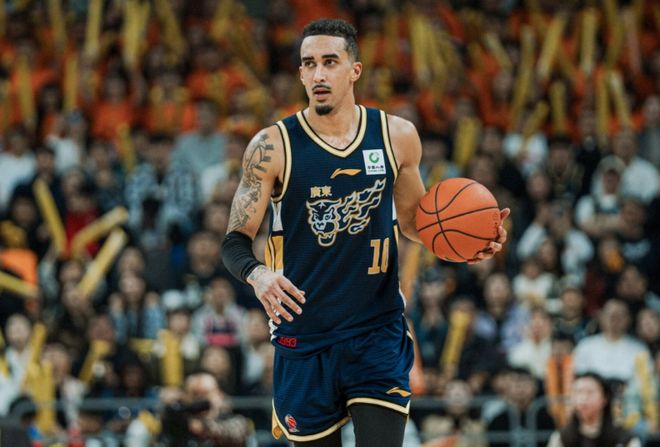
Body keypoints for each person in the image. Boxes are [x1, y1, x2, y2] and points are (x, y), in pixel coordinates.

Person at [222, 19, 508, 447]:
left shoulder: (396, 136)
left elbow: (415, 223)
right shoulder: (272, 146)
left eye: (330, 62)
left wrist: (470, 244)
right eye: (309, 64)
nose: (319, 74)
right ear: (300, 73)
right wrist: (258, 275)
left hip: (376, 329)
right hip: (305, 334)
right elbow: (234, 241)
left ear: (354, 70)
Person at [547, 372, 641, 447]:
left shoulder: (623, 438)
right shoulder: (562, 438)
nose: (583, 399)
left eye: (590, 392)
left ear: (604, 398)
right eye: (579, 392)